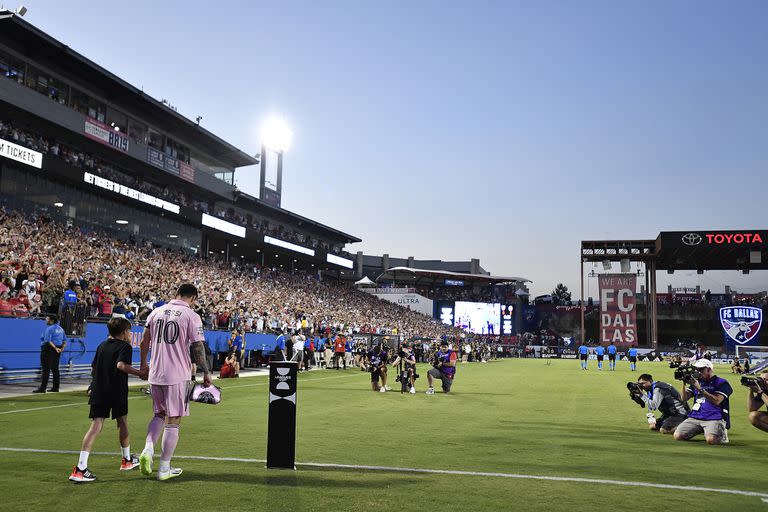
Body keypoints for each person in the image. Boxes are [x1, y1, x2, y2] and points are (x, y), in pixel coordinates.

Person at [139, 283, 211, 481]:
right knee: (174, 420)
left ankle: (147, 448)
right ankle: (164, 468)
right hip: (177, 374)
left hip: (156, 373)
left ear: (176, 293)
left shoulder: (156, 312)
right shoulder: (191, 316)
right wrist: (205, 371)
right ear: (193, 299)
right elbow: (197, 346)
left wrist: (144, 365)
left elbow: (145, 341)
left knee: (158, 414)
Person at [69, 317, 147, 482]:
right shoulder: (125, 346)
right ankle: (126, 460)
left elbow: (94, 367)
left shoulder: (101, 345)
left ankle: (80, 468)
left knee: (95, 427)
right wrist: (140, 373)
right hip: (116, 390)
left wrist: (92, 384)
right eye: (129, 332)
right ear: (125, 332)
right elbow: (121, 365)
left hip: (99, 390)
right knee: (122, 423)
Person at [674, 359, 732, 445]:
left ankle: (722, 435)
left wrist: (700, 389)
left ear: (709, 369)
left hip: (714, 417)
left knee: (711, 440)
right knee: (678, 436)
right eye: (696, 369)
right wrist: (684, 383)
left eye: (701, 369)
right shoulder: (697, 382)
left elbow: (717, 401)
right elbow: (683, 399)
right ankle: (704, 429)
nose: (698, 372)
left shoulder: (721, 382)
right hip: (695, 416)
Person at [33, 314, 67, 393]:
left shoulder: (49, 329)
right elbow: (65, 341)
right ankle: (56, 387)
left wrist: (55, 348)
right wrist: (61, 349)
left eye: (47, 319)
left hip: (48, 350)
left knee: (46, 369)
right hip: (57, 350)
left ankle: (42, 388)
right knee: (55, 369)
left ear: (51, 320)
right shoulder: (61, 329)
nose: (46, 320)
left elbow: (48, 341)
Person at [746, 368, 768, 433]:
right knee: (753, 416)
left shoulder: (762, 393)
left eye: (766, 380)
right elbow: (752, 408)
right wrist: (751, 391)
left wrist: (760, 393)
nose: (764, 382)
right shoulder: (765, 391)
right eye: (762, 380)